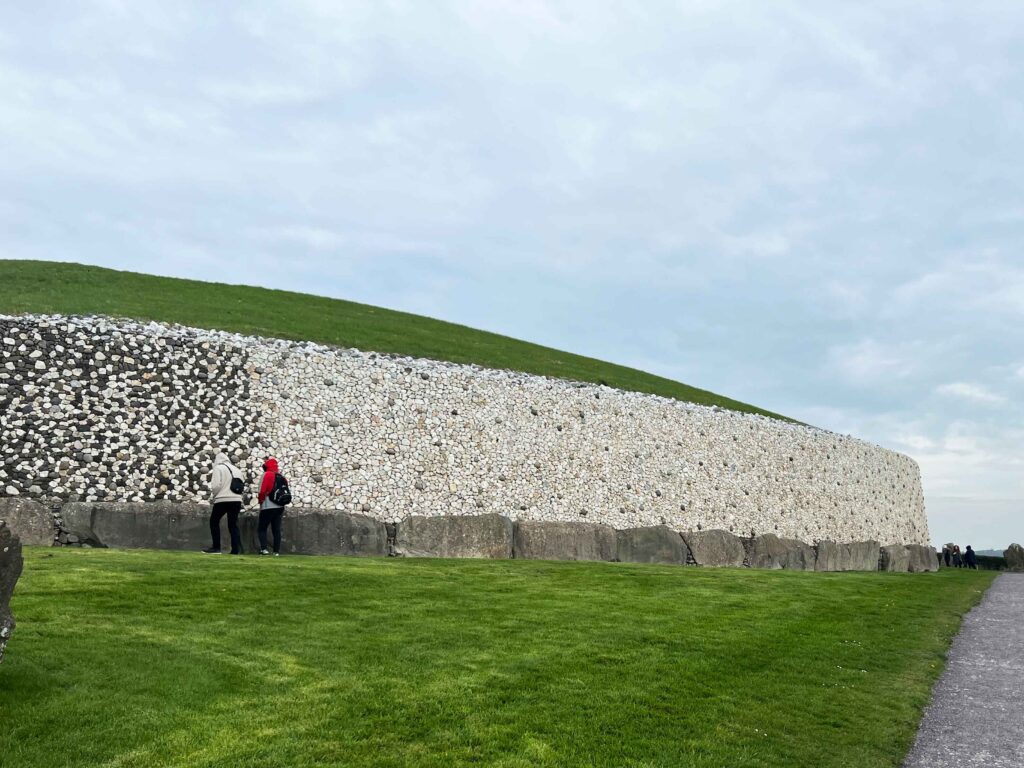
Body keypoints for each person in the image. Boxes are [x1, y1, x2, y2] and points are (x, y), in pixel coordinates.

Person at [203, 452, 244, 555]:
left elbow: (216, 485)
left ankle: (216, 547)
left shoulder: (219, 468)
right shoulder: (237, 470)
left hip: (223, 499)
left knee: (214, 521)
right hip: (236, 500)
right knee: (233, 524)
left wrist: (215, 495)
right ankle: (235, 549)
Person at [257, 456, 286, 556]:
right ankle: (276, 551)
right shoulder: (281, 477)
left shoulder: (267, 475)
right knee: (276, 529)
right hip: (280, 507)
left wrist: (260, 501)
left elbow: (262, 491)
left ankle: (264, 549)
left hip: (268, 506)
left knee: (262, 528)